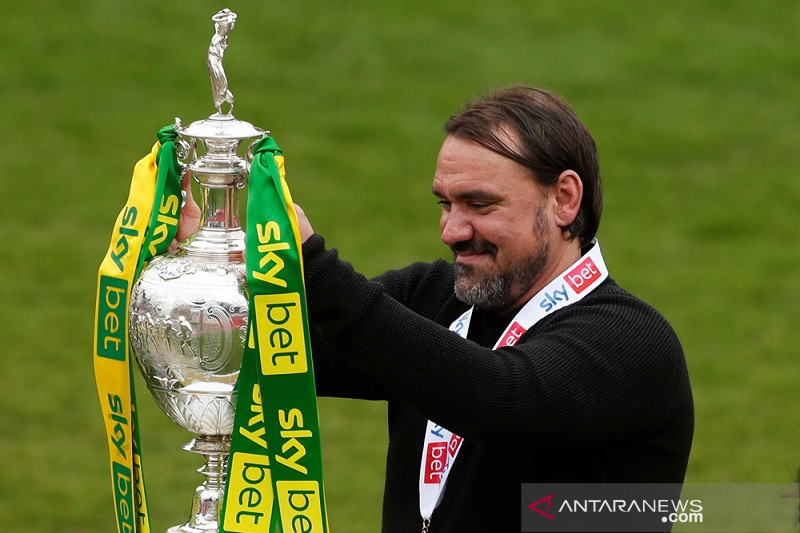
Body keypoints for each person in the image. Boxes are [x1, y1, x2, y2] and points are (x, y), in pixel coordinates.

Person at [292, 86, 694, 531]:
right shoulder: (431, 295)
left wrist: (316, 268)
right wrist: (212, 260)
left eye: (479, 204)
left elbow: (499, 397)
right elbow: (266, 352)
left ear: (564, 199)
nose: (451, 231)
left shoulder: (630, 342)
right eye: (445, 204)